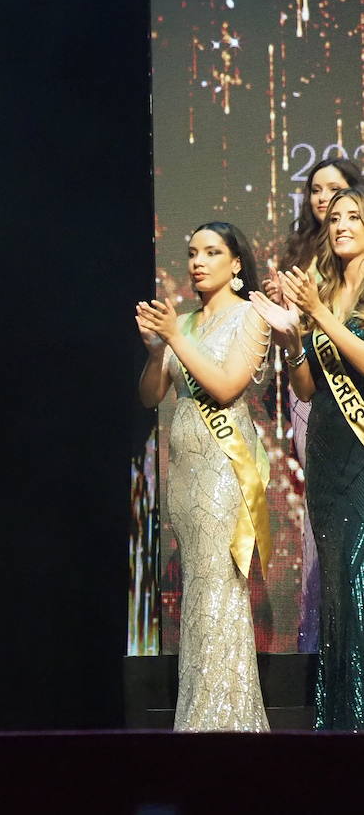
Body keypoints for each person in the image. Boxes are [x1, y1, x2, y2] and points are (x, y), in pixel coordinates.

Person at [136, 221, 271, 731]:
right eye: (192, 252)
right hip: (186, 473)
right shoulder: (185, 323)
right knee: (199, 591)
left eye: (212, 252)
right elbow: (150, 396)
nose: (198, 261)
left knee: (219, 589)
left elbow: (226, 385)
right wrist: (156, 354)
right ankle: (201, 715)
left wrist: (173, 336)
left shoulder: (250, 316)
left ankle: (222, 723)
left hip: (224, 471)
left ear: (236, 265)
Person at [266, 188, 364, 729]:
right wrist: (292, 335)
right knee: (337, 596)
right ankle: (341, 724)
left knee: (359, 583)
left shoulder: (336, 299)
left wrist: (321, 315)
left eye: (356, 216)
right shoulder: (326, 290)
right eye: (335, 218)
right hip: (328, 454)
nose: (342, 224)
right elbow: (305, 389)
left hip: (362, 455)